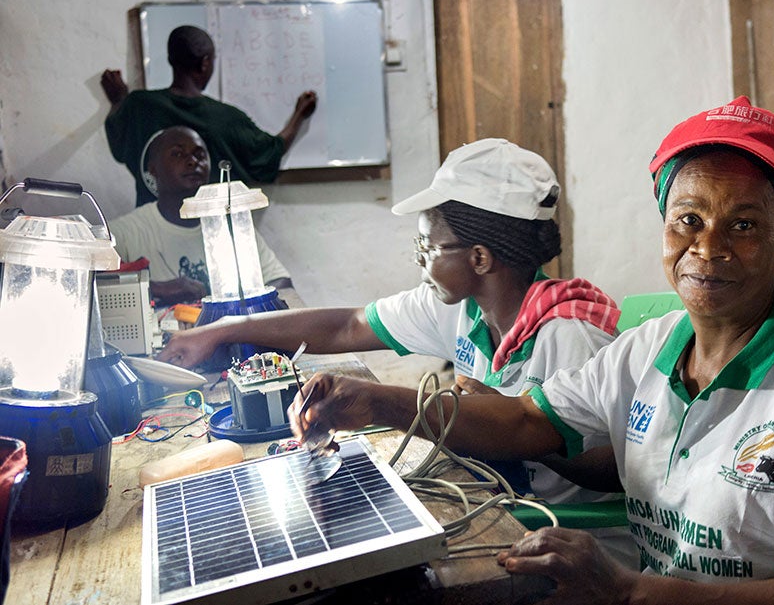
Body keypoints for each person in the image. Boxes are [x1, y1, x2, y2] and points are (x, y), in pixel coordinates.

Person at [287, 97, 774, 605]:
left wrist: (626, 591)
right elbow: (528, 419)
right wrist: (375, 400)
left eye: (745, 224)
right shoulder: (649, 349)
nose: (708, 247)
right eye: (688, 219)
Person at [158, 138, 635, 558]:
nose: (420, 262)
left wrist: (516, 427)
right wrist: (226, 328)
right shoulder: (460, 308)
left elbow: (616, 472)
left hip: (572, 541)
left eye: (427, 249)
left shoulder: (571, 336)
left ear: (480, 258)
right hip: (503, 500)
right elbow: (348, 325)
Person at [101, 25, 317, 207]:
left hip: (153, 231)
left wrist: (120, 100)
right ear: (205, 63)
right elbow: (270, 153)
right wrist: (299, 115)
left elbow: (119, 146)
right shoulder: (226, 119)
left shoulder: (139, 106)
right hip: (207, 234)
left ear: (170, 59)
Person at [109, 126, 292, 306]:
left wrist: (246, 304)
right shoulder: (126, 232)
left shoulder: (232, 225)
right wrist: (154, 288)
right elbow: (94, 284)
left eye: (200, 155)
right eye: (178, 154)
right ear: (153, 169)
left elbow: (280, 281)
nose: (193, 161)